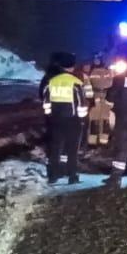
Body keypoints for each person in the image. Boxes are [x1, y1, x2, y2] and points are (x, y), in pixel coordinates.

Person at [41, 56, 88, 185]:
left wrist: (49, 116)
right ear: (72, 67)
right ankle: (72, 176)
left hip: (56, 120)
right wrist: (82, 120)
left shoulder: (52, 81)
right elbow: (81, 104)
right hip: (73, 121)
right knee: (72, 150)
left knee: (55, 149)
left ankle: (53, 176)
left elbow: (46, 102)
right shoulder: (76, 82)